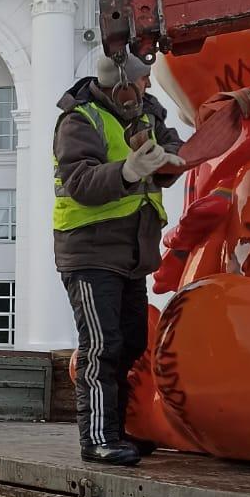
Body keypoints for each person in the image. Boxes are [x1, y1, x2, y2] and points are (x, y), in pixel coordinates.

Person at [54, 51, 185, 466]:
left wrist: (170, 162)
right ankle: (98, 438)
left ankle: (118, 429)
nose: (148, 87)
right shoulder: (80, 120)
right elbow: (79, 183)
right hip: (90, 251)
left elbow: (170, 145)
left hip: (130, 253)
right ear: (121, 85)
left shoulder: (144, 112)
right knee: (101, 346)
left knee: (129, 343)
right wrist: (126, 171)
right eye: (143, 81)